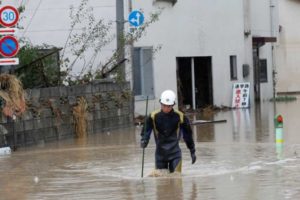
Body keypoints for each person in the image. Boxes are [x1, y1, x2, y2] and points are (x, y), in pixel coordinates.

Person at [141, 90, 196, 173]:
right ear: (161, 103)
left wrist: (192, 151)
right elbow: (146, 131)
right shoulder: (152, 116)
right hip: (160, 156)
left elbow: (187, 135)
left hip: (175, 155)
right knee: (161, 182)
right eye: (164, 105)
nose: (166, 108)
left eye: (169, 106)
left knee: (176, 180)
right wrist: (144, 140)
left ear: (173, 104)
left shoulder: (180, 117)